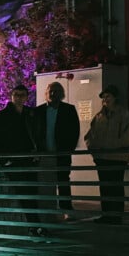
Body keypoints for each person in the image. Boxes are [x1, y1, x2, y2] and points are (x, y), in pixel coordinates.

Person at [0, 84, 44, 235]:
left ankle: (35, 225)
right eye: (16, 95)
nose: (19, 98)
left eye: (22, 95)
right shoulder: (2, 116)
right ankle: (35, 225)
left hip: (29, 159)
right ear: (12, 96)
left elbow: (38, 134)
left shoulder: (30, 114)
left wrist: (37, 152)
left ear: (26, 97)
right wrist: (4, 160)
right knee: (24, 192)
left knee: (31, 192)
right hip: (14, 160)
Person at [84, 85, 129, 224]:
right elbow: (90, 136)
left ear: (115, 98)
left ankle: (115, 215)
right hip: (102, 158)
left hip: (117, 158)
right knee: (105, 187)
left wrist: (111, 148)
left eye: (108, 96)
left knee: (115, 186)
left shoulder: (124, 114)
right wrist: (94, 150)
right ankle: (107, 214)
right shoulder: (99, 116)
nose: (105, 99)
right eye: (103, 97)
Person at [34, 82, 80, 214]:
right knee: (46, 181)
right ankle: (48, 208)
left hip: (62, 153)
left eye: (57, 91)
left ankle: (66, 208)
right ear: (46, 93)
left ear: (62, 94)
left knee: (63, 180)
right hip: (44, 154)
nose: (53, 94)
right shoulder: (38, 111)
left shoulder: (69, 109)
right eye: (51, 91)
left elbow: (74, 131)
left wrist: (68, 149)